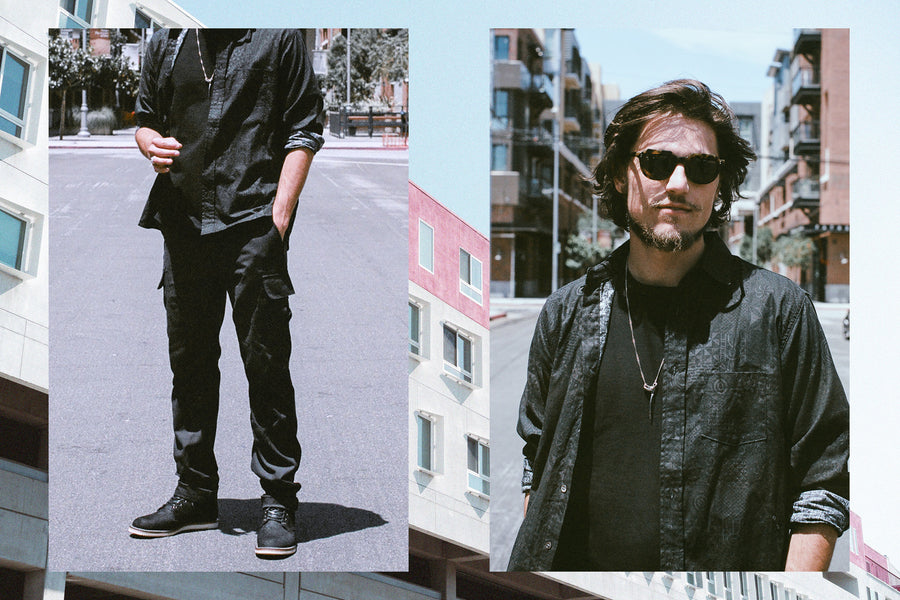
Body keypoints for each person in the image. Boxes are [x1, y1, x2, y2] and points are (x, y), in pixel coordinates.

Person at [507, 80, 849, 571]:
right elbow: (537, 460)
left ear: (719, 184)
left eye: (702, 167)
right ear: (623, 174)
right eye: (657, 162)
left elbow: (824, 474)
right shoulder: (566, 312)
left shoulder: (778, 311)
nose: (678, 184)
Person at [126, 28, 324, 559]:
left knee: (265, 365)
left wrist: (279, 219)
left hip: (253, 223)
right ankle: (195, 494)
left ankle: (279, 499)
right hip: (183, 223)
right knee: (188, 363)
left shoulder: (278, 35)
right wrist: (151, 144)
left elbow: (305, 130)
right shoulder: (166, 39)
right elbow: (145, 121)